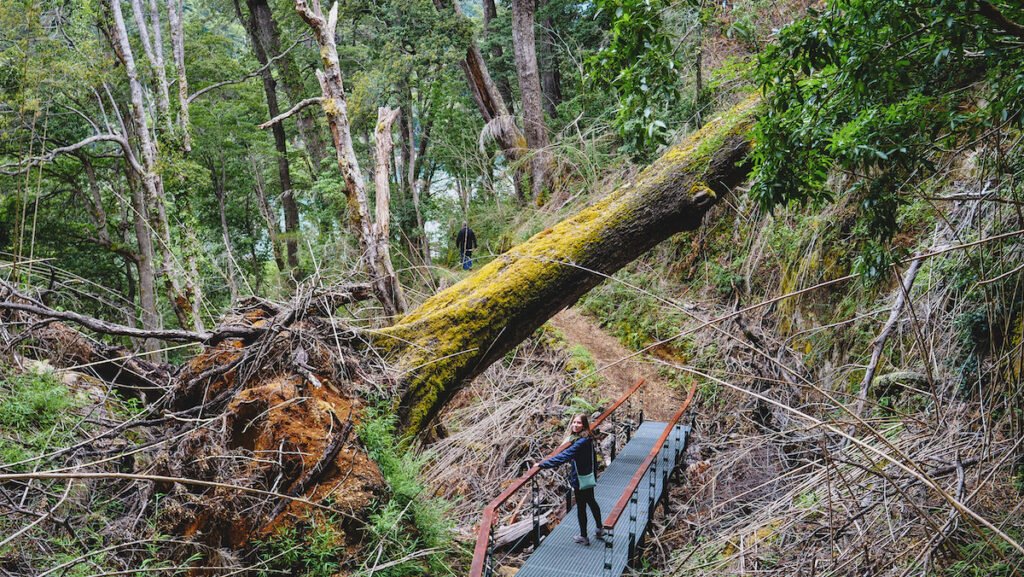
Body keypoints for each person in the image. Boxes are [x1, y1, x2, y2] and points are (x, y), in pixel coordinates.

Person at [537, 414, 605, 546]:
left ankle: (584, 536)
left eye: (578, 423)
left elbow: (564, 456)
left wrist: (542, 464)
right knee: (591, 501)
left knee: (581, 507)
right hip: (588, 476)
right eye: (574, 422)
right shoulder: (586, 438)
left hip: (580, 479)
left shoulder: (580, 442)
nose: (575, 425)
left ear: (584, 425)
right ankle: (599, 528)